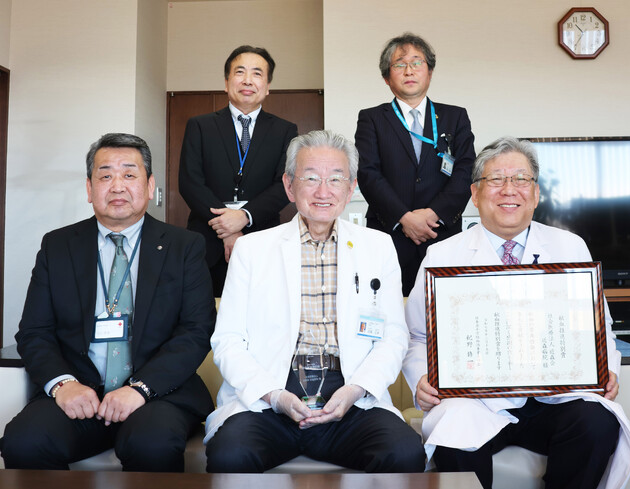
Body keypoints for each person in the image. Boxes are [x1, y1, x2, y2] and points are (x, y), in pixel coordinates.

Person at [403, 136, 630, 488]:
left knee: (596, 421)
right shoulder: (443, 255)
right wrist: (422, 378)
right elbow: (417, 335)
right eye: (496, 179)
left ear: (536, 193)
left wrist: (607, 370)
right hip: (475, 401)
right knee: (454, 433)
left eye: (521, 179)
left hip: (555, 400)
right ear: (475, 193)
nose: (509, 189)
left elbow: (598, 328)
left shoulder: (569, 246)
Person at [204, 130, 426, 473]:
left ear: (351, 189)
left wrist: (356, 390)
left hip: (350, 396)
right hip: (272, 395)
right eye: (310, 178)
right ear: (289, 186)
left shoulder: (378, 246)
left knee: (404, 453)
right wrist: (274, 395)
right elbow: (228, 340)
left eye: (336, 179)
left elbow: (394, 336)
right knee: (229, 455)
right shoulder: (252, 249)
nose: (324, 191)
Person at [0, 133, 216, 471]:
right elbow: (34, 332)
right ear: (89, 189)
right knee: (24, 441)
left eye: (129, 174)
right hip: (79, 392)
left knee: (152, 444)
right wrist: (63, 384)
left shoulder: (184, 246)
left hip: (156, 395)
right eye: (105, 176)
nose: (117, 186)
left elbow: (196, 331)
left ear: (149, 186)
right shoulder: (58, 246)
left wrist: (140, 389)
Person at [355, 33, 476, 296]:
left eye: (417, 62)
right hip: (389, 234)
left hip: (441, 233)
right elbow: (367, 173)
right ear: (387, 77)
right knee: (386, 305)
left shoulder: (455, 117)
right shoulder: (371, 119)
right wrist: (405, 218)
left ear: (429, 72)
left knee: (445, 304)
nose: (409, 70)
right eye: (399, 64)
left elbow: (466, 171)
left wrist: (432, 214)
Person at [179, 44, 298, 297]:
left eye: (257, 73)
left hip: (262, 238)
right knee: (204, 311)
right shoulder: (200, 126)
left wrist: (244, 216)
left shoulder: (285, 130)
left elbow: (284, 185)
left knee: (262, 309)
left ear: (267, 86)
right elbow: (190, 182)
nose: (247, 80)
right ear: (226, 82)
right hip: (207, 243)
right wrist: (227, 227)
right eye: (240, 72)